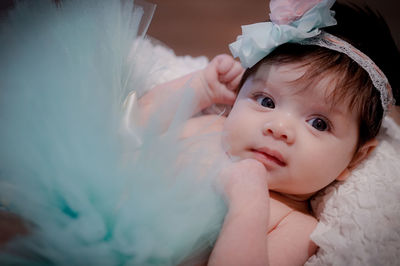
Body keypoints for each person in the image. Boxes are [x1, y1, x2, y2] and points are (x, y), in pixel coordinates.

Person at [138, 0, 400, 264]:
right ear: (237, 99)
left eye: (318, 123)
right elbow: (132, 129)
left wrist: (248, 202)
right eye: (266, 102)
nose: (279, 128)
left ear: (355, 159)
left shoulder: (294, 226)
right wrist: (200, 89)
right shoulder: (210, 130)